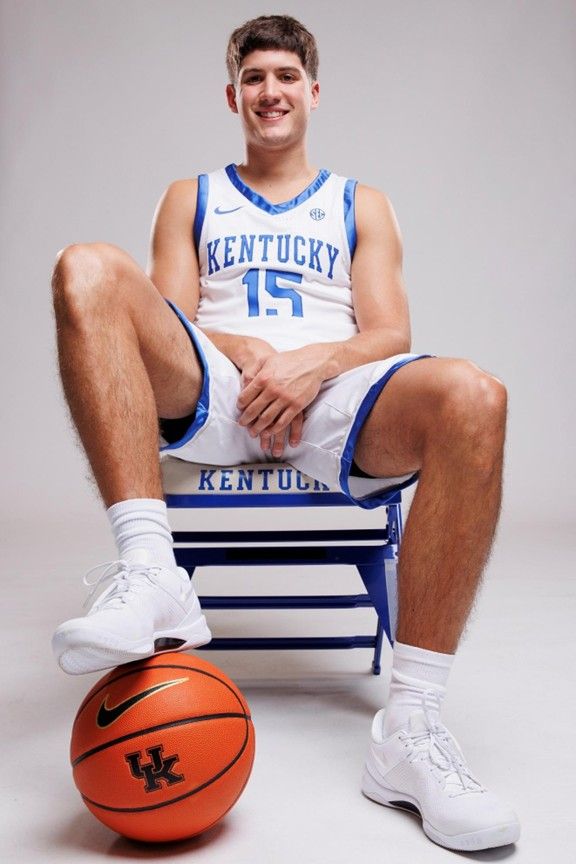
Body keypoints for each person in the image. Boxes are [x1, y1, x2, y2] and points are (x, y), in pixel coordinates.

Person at [50, 15, 520, 852]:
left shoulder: (358, 202)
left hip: (332, 394)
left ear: (312, 91)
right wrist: (246, 351)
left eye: (285, 76)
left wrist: (312, 363)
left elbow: (388, 332)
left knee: (475, 397)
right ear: (233, 95)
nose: (271, 91)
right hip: (218, 387)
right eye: (255, 77)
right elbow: (166, 319)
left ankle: (408, 732)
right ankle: (152, 571)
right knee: (86, 268)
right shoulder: (192, 196)